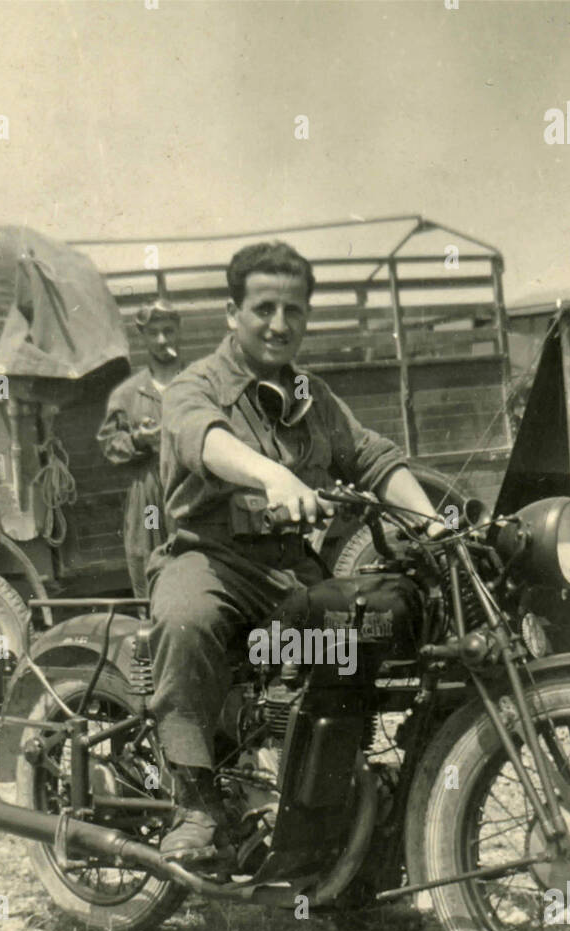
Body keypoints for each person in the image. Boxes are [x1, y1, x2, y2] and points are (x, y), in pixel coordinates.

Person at [148, 241, 443, 862]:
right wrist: (271, 476)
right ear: (232, 313)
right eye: (263, 308)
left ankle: (331, 795)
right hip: (210, 560)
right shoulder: (193, 384)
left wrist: (434, 527)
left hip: (288, 568)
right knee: (186, 620)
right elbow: (204, 439)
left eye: (295, 310)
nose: (280, 324)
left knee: (362, 627)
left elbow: (372, 457)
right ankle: (194, 803)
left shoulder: (312, 395)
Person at [96, 300, 181, 596]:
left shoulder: (195, 385)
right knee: (149, 560)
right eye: (154, 333)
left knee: (195, 562)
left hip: (190, 491)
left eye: (168, 331)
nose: (162, 340)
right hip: (148, 495)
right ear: (143, 337)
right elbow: (109, 444)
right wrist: (137, 440)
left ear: (178, 332)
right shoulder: (128, 393)